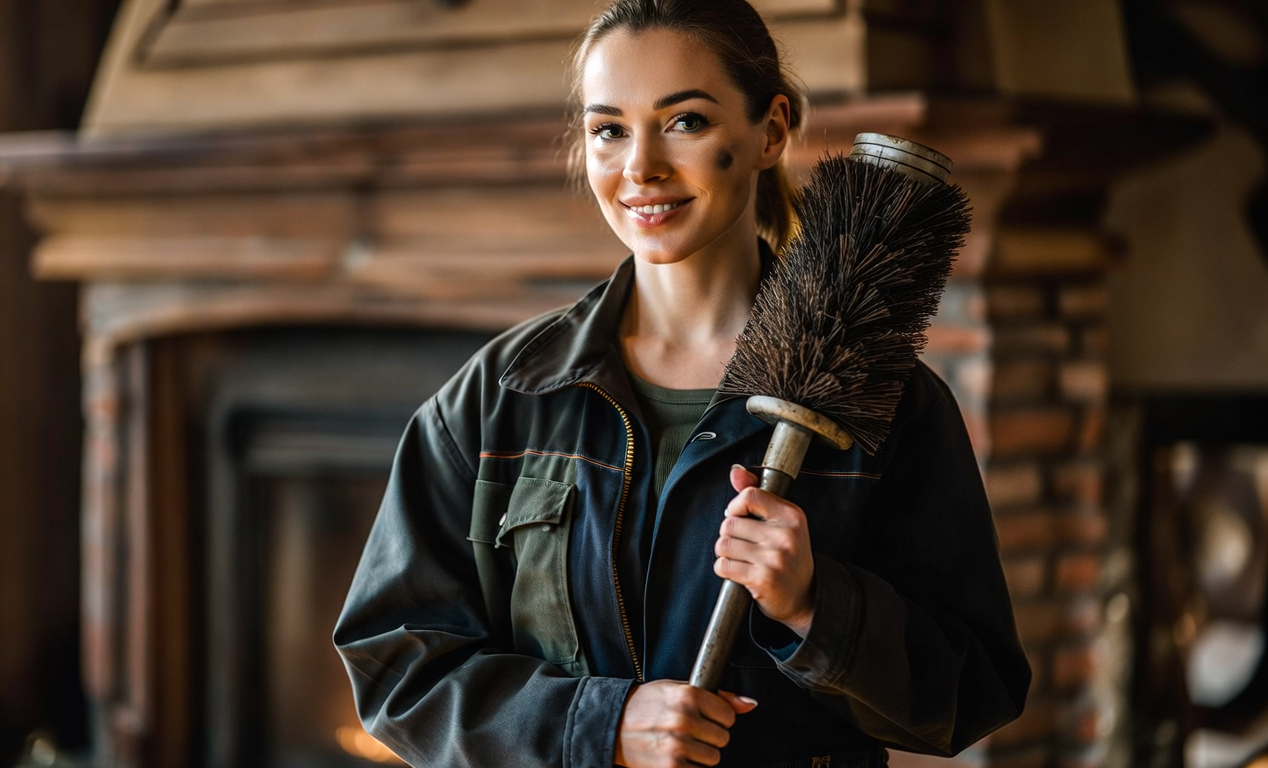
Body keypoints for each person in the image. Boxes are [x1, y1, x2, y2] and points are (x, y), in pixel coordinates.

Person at [333, 1, 1031, 766]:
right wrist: (601, 726)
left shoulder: (888, 402)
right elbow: (396, 670)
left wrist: (814, 605)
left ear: (770, 131)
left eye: (685, 122)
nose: (640, 168)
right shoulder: (499, 400)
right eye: (609, 129)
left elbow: (974, 693)